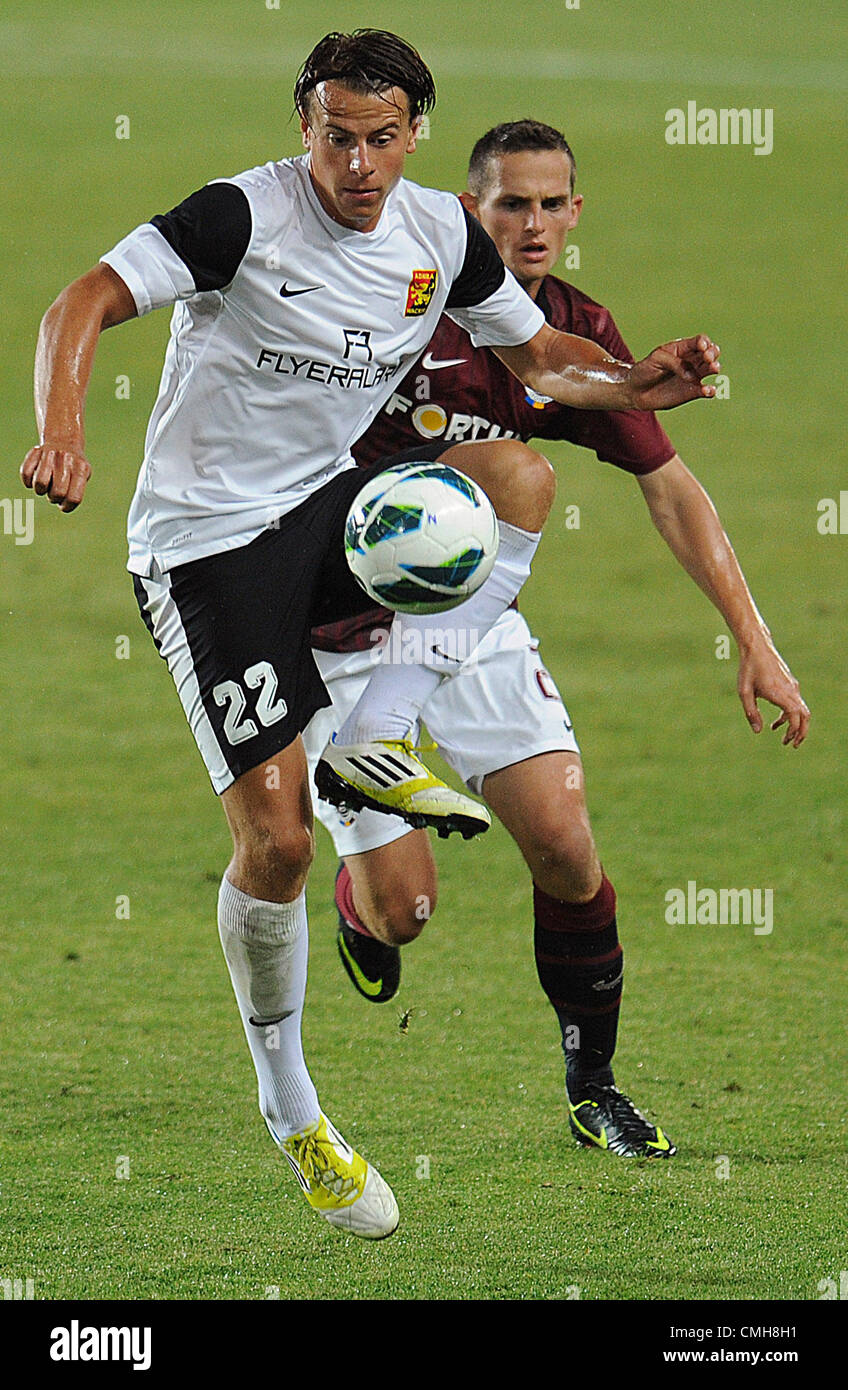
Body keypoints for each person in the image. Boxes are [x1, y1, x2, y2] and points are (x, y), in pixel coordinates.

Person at [20, 32, 720, 1240]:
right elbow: (78, 299)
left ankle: (381, 730)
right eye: (335, 134)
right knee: (281, 848)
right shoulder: (242, 217)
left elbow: (535, 354)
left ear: (414, 138)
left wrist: (630, 382)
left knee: (512, 478)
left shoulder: (440, 235)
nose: (355, 160)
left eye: (379, 137)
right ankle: (292, 1111)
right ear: (306, 127)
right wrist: (65, 428)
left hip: (323, 504)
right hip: (203, 548)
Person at [303, 120, 810, 1159]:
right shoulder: (400, 298)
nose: (530, 225)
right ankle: (360, 907)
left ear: (575, 212)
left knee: (567, 843)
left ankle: (593, 1087)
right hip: (341, 623)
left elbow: (667, 485)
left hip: (466, 611)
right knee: (409, 914)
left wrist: (751, 636)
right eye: (508, 205)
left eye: (549, 205)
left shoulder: (568, 329)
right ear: (466, 211)